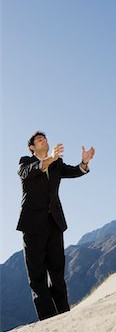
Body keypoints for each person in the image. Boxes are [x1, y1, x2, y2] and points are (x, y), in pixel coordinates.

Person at [17, 131, 95, 321]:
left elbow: (75, 171)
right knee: (37, 276)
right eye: (38, 139)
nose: (43, 140)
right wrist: (51, 158)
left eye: (45, 138)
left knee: (57, 271)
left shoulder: (57, 164)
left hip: (54, 223)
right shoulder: (25, 162)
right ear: (32, 147)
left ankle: (64, 315)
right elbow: (30, 172)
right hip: (32, 225)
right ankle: (49, 319)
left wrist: (84, 162)